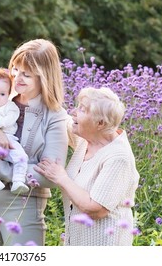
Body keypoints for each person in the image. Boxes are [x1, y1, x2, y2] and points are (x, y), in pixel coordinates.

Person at [0, 39, 69, 246]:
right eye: (15, 68)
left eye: (26, 73)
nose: (16, 77)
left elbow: (50, 175)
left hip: (23, 204)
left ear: (44, 76)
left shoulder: (55, 116)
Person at [36, 87, 140, 246]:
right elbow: (59, 116)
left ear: (100, 123)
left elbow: (95, 209)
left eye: (82, 110)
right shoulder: (86, 140)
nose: (74, 112)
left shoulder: (118, 157)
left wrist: (61, 177)